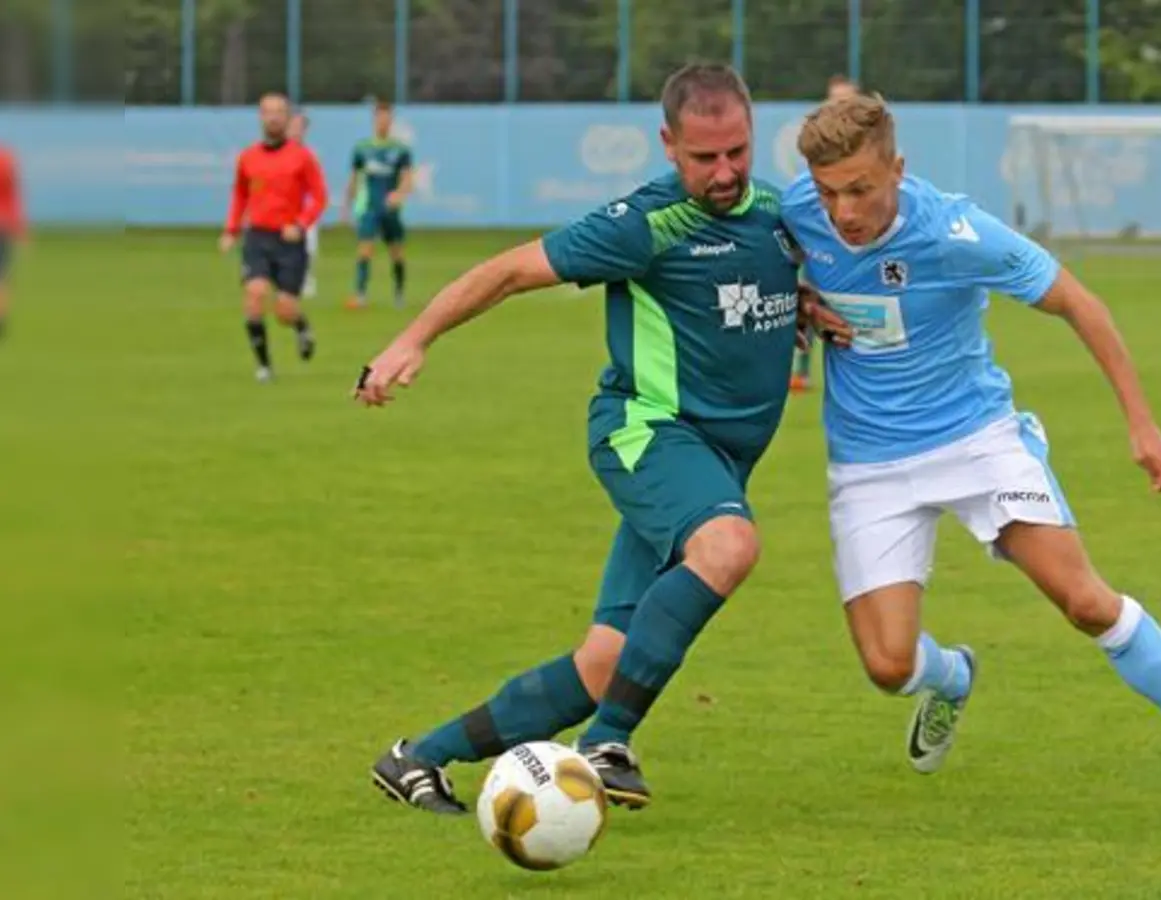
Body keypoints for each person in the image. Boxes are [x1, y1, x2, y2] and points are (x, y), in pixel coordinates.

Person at [781, 93, 1161, 795]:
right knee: (888, 666)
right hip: (869, 465)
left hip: (976, 442)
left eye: (861, 190)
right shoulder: (794, 214)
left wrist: (1142, 423)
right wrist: (804, 301)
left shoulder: (958, 232)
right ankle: (955, 676)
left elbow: (1081, 304)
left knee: (1085, 600)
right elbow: (758, 272)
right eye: (829, 193)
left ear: (897, 170)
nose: (844, 212)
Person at [359, 63, 841, 814]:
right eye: (703, 157)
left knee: (604, 661)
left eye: (737, 152)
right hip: (648, 433)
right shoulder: (642, 224)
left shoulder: (775, 215)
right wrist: (413, 339)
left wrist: (800, 300)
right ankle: (606, 742)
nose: (723, 173)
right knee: (729, 548)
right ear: (668, 145)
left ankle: (418, 758)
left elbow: (757, 284)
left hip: (717, 461)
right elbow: (511, 270)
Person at [221, 93, 327, 382]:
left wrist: (301, 224)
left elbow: (319, 197)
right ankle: (264, 366)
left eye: (279, 112)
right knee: (254, 295)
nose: (274, 117)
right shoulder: (248, 157)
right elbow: (240, 195)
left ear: (287, 117)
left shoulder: (302, 157)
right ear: (260, 116)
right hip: (258, 237)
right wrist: (231, 230)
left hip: (289, 241)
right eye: (268, 112)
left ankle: (301, 326)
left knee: (284, 310)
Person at [791, 75, 863, 394]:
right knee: (810, 302)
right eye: (833, 99)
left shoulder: (871, 149)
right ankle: (801, 369)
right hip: (821, 244)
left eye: (845, 100)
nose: (838, 106)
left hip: (860, 248)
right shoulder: (816, 150)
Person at [344, 100, 413, 309]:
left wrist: (399, 195)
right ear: (374, 120)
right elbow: (354, 178)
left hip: (390, 210)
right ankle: (360, 294)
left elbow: (407, 177)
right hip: (370, 208)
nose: (383, 122)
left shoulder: (400, 150)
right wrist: (348, 206)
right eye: (380, 118)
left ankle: (399, 294)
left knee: (397, 252)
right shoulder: (362, 149)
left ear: (391, 121)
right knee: (365, 250)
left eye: (387, 118)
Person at [287, 111, 321, 300]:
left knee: (309, 246)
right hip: (283, 209)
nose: (296, 130)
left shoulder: (309, 155)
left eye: (301, 127)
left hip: (305, 209)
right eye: (294, 125)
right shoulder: (277, 152)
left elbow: (317, 188)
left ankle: (306, 279)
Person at [0, 141, 24, 342]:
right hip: (4, 225)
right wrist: (20, 228)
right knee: (3, 278)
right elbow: (14, 197)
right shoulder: (7, 159)